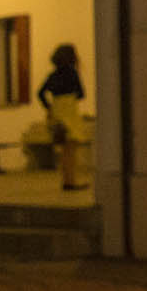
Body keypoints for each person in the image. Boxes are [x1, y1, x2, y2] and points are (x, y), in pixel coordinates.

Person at [37, 43, 89, 190]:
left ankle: (66, 179)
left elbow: (40, 93)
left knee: (63, 149)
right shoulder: (72, 73)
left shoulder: (53, 75)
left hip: (57, 110)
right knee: (71, 149)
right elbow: (81, 93)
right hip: (69, 110)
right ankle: (70, 181)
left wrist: (49, 107)